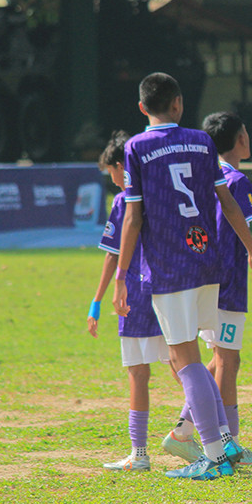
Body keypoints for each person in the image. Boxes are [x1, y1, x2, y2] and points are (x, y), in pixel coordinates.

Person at [113, 72, 252, 481]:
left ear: (142, 108)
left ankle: (211, 455)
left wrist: (122, 275)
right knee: (202, 358)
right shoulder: (202, 141)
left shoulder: (136, 147)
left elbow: (133, 216)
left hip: (169, 267)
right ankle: (223, 441)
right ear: (178, 104)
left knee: (184, 358)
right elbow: (227, 202)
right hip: (208, 263)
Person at [161, 112, 252, 470]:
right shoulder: (236, 179)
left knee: (216, 359)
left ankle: (184, 430)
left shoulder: (200, 174)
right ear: (240, 139)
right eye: (245, 131)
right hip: (226, 282)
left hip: (200, 275)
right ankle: (229, 445)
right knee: (227, 360)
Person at [88, 130, 170, 472]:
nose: (115, 182)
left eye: (113, 174)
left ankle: (139, 454)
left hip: (134, 294)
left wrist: (96, 301)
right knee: (185, 367)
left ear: (122, 167)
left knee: (138, 373)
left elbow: (112, 256)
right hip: (169, 289)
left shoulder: (125, 201)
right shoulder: (162, 193)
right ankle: (213, 435)